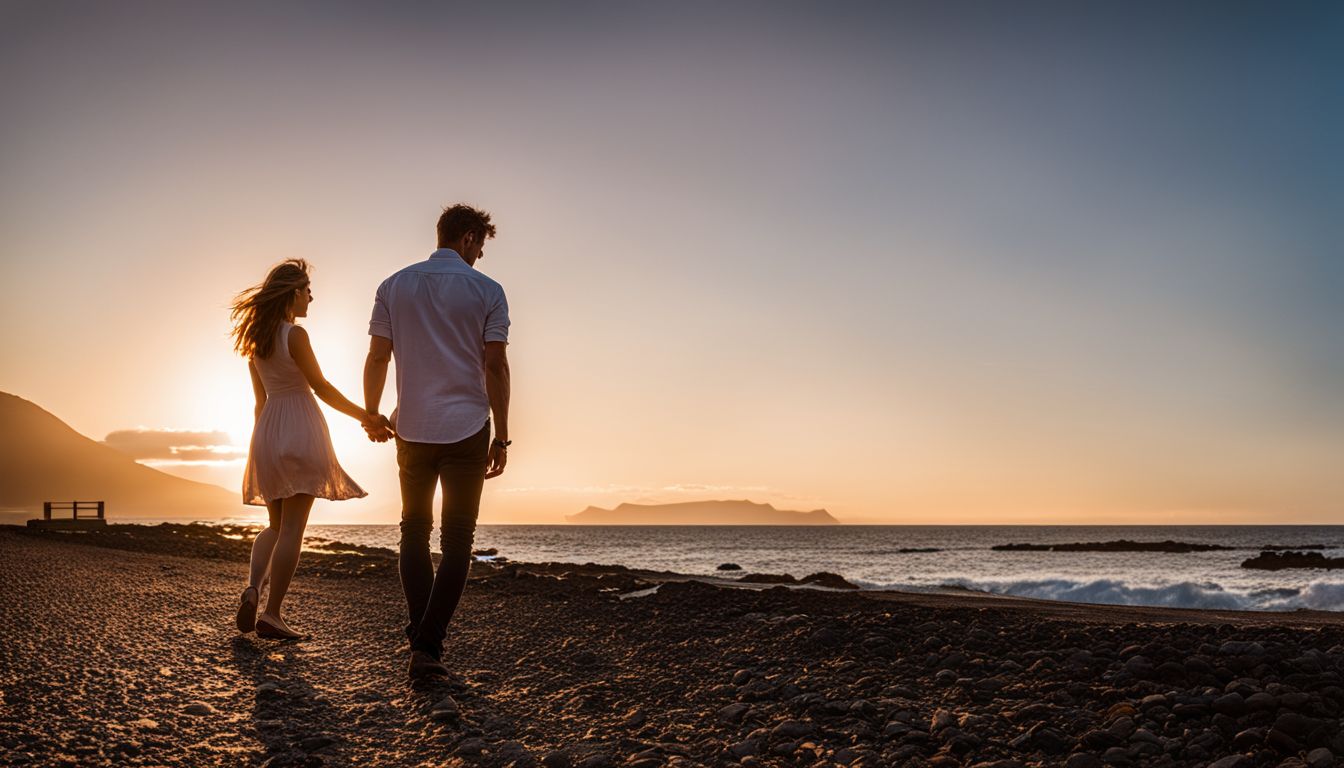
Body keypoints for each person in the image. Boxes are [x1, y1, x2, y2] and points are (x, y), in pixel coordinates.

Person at [363, 203, 511, 680]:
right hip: (467, 425)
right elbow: (495, 366)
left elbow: (378, 357)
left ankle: (420, 638)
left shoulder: (394, 285)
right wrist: (503, 437)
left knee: (413, 530)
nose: (481, 256)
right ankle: (426, 648)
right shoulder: (488, 291)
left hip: (411, 427)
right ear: (468, 237)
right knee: (458, 540)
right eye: (481, 246)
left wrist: (371, 413)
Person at [230, 259, 386, 640]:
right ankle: (273, 614)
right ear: (292, 294)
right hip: (300, 428)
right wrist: (366, 415)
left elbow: (259, 404)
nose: (311, 297)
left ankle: (253, 587)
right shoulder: (295, 336)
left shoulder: (256, 344)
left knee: (276, 525)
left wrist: (260, 446)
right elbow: (322, 387)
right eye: (307, 290)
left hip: (267, 433)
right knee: (294, 530)